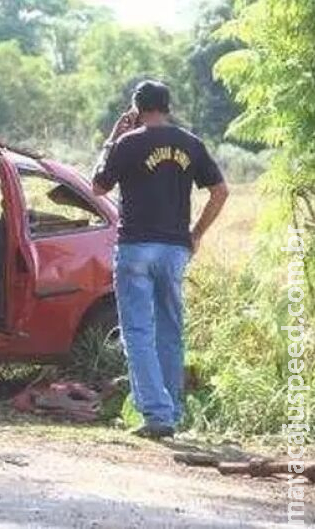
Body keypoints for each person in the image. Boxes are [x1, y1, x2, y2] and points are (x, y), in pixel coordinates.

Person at [92, 80, 229, 439]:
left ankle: (157, 415)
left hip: (136, 247)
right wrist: (195, 234)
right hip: (173, 251)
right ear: (167, 107)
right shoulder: (190, 143)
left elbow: (97, 187)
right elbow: (220, 190)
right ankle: (174, 411)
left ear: (136, 110)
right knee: (170, 331)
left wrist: (112, 137)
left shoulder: (127, 142)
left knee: (138, 332)